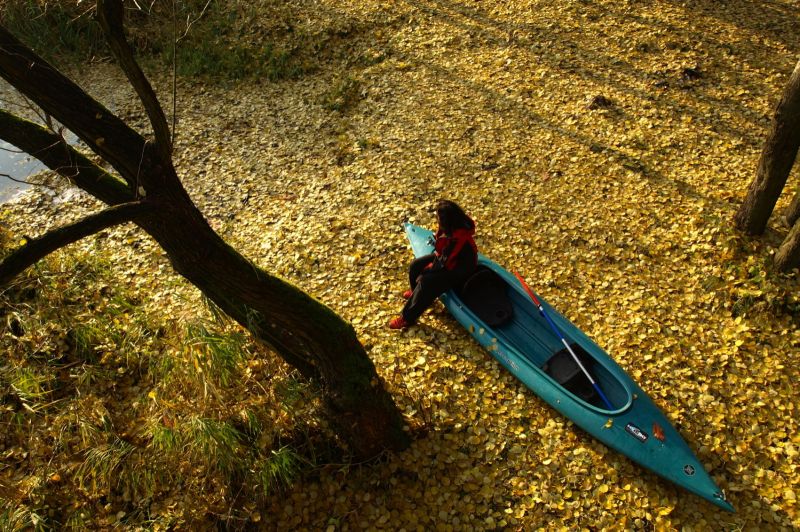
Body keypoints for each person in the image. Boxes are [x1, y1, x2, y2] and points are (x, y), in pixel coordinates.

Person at [389, 200, 478, 329]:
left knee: (426, 282)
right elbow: (441, 249)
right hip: (447, 257)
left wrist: (429, 270)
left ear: (447, 220)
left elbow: (446, 261)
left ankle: (407, 318)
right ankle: (416, 293)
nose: (437, 218)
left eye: (438, 217)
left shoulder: (458, 237)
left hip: (460, 268)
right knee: (415, 265)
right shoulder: (449, 225)